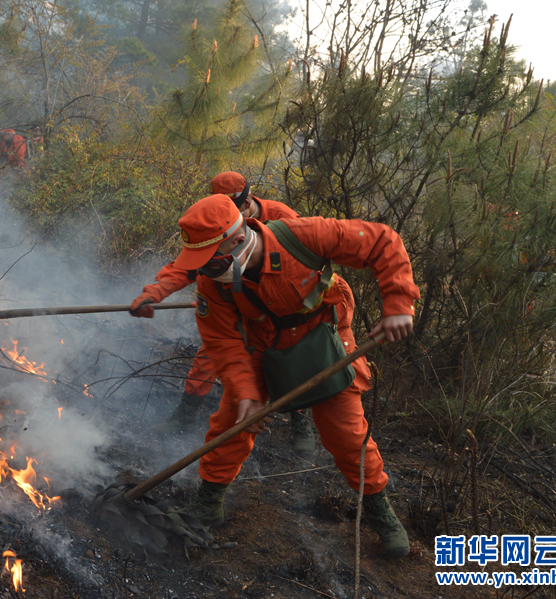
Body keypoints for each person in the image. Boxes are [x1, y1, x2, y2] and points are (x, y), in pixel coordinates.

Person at [171, 194, 419, 558]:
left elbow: (383, 242)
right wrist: (245, 392)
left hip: (321, 334)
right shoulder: (213, 282)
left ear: (237, 241)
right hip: (259, 342)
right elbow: (222, 340)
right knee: (232, 421)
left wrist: (399, 303)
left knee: (346, 433)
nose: (203, 271)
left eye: (209, 262)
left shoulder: (304, 235)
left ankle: (381, 512)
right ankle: (209, 503)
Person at [130, 172, 317, 453]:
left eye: (236, 207)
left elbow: (306, 262)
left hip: (282, 306)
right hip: (235, 302)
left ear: (248, 199)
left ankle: (300, 421)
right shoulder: (216, 223)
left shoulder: (283, 216)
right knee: (210, 354)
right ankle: (186, 414)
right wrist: (156, 292)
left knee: (294, 358)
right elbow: (190, 264)